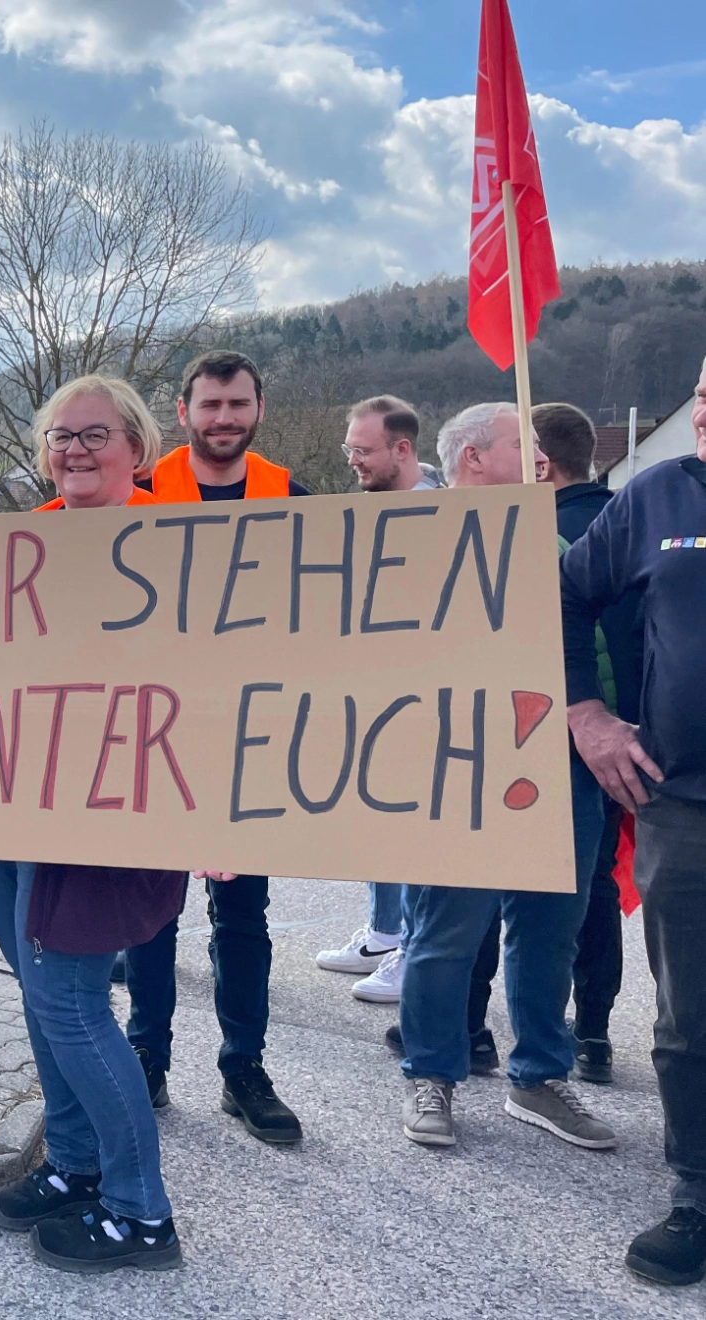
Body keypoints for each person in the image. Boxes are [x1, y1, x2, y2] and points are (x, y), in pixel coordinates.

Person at [0, 376, 186, 1272]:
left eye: (94, 434)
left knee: (76, 1007)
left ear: (137, 447)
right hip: (9, 811)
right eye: (60, 436)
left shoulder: (179, 549)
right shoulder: (18, 547)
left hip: (110, 817)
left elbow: (221, 690)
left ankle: (140, 1210)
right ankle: (77, 1168)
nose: (75, 449)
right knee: (43, 1002)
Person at [394, 401, 614, 1151]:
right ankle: (431, 1072)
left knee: (552, 928)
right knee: (446, 931)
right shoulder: (411, 544)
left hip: (562, 761)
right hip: (459, 764)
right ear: (473, 461)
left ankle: (539, 1078)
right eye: (521, 443)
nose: (538, 456)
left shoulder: (560, 542)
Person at [124, 350, 306, 1145]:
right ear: (183, 410)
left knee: (243, 914)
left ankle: (243, 1068)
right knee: (150, 914)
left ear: (258, 407)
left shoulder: (294, 497)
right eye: (210, 406)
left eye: (237, 404)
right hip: (157, 729)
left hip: (252, 734)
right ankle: (147, 1058)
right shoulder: (140, 495)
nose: (224, 418)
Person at [563, 353, 706, 1286]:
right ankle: (696, 1193)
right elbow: (558, 599)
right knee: (689, 1017)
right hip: (684, 805)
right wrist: (588, 715)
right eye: (705, 399)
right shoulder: (657, 498)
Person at [313, 395, 440, 1003]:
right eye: (349, 449)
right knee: (377, 818)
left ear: (402, 449)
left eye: (362, 451)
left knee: (414, 827)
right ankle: (385, 932)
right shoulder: (362, 515)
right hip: (366, 693)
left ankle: (414, 948)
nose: (353, 461)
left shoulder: (446, 516)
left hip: (420, 698)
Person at [534, 401, 642, 1086]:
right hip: (636, 735)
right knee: (595, 885)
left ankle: (484, 1027)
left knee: (520, 892)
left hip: (550, 738)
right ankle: (594, 1031)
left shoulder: (530, 537)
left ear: (540, 463)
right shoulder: (637, 521)